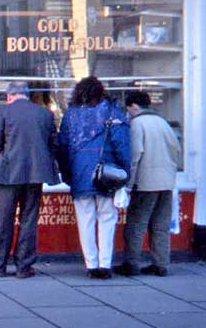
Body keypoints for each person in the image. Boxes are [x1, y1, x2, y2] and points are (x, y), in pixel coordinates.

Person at [0, 81, 59, 279]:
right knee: (29, 219)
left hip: (7, 175)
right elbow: (53, 144)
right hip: (35, 175)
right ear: (27, 95)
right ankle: (24, 266)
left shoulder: (2, 112)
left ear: (9, 96)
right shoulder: (45, 114)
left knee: (3, 220)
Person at [57, 76, 130, 279]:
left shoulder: (70, 115)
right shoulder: (111, 111)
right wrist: (125, 172)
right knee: (107, 218)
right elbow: (121, 144)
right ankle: (104, 265)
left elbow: (62, 146)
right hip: (107, 173)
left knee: (85, 219)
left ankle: (91, 265)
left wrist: (67, 172)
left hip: (79, 173)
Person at [115, 91, 182, 277]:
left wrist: (128, 183)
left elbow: (135, 156)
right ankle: (161, 264)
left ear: (134, 106)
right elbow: (177, 149)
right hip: (167, 182)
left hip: (146, 182)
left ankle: (131, 263)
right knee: (160, 225)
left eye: (128, 109)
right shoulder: (163, 122)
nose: (127, 113)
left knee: (136, 224)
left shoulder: (137, 124)